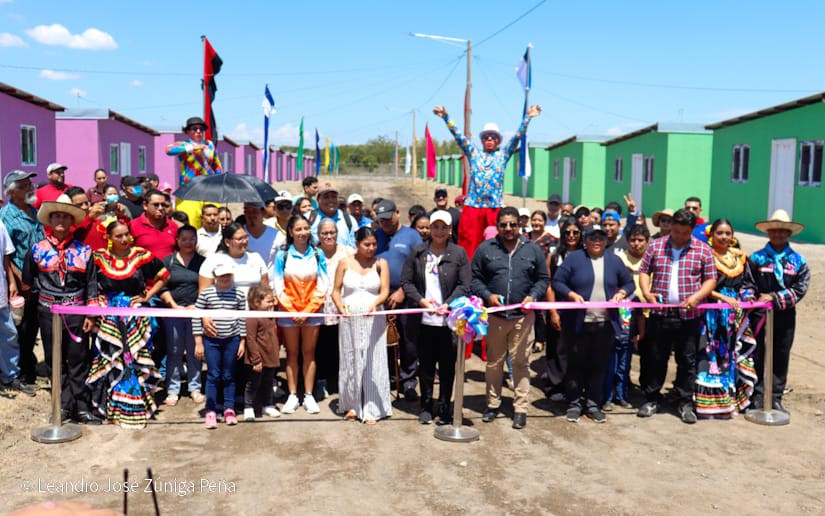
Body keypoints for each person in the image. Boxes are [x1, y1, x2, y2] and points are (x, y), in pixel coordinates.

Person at [472, 207, 550, 430]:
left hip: (522, 317)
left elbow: (543, 279)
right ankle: (492, 404)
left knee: (520, 363)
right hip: (495, 317)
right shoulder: (486, 249)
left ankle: (520, 408)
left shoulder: (532, 249)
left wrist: (533, 296)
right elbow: (475, 278)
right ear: (497, 226)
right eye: (504, 224)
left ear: (520, 225)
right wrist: (487, 295)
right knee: (494, 363)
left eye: (512, 224)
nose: (508, 228)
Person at [86, 220, 169, 428]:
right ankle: (110, 408)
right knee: (110, 358)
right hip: (109, 317)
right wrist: (99, 299)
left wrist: (147, 295)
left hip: (134, 316)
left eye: (126, 235)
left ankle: (137, 405)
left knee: (134, 358)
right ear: (109, 238)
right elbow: (90, 283)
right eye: (119, 236)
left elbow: (164, 276)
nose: (124, 239)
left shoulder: (140, 255)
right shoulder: (99, 258)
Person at [638, 208, 716, 424]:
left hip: (688, 316)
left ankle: (684, 401)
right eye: (677, 231)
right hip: (660, 313)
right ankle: (652, 398)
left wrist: (697, 297)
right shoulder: (656, 246)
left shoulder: (702, 249)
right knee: (656, 357)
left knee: (687, 360)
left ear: (692, 230)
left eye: (685, 233)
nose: (680, 236)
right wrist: (646, 293)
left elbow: (710, 279)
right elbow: (644, 271)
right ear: (671, 227)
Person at [23, 197, 98, 421]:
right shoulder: (37, 249)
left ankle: (82, 406)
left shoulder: (85, 251)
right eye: (56, 216)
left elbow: (91, 284)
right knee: (54, 359)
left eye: (65, 216)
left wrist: (91, 314)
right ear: (49, 219)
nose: (61, 220)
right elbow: (29, 279)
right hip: (48, 312)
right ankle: (62, 406)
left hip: (77, 312)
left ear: (72, 221)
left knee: (78, 358)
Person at [433, 104, 542, 258]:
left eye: (493, 137)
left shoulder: (503, 155)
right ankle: (467, 271)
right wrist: (446, 117)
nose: (489, 139)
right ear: (482, 140)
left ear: (498, 141)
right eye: (486, 137)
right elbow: (458, 136)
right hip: (473, 207)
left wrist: (528, 118)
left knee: (495, 247)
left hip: (493, 208)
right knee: (469, 246)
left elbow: (517, 137)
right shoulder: (474, 153)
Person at [552, 224, 634, 423]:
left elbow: (629, 283)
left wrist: (621, 293)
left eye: (601, 237)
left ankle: (593, 404)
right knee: (575, 365)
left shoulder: (614, 260)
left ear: (606, 241)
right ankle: (573, 404)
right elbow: (557, 282)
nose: (597, 241)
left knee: (598, 366)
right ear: (585, 239)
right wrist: (571, 294)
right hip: (578, 324)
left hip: (604, 324)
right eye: (592, 237)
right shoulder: (574, 258)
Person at [401, 210, 470, 425]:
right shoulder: (417, 252)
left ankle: (445, 406)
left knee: (448, 367)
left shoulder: (458, 254)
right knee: (426, 366)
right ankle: (426, 406)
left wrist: (448, 304)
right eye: (435, 227)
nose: (439, 231)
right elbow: (407, 282)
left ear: (450, 230)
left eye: (444, 227)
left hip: (449, 322)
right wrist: (422, 301)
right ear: (430, 229)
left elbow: (464, 285)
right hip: (424, 321)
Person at [693, 219, 757, 417]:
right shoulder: (705, 255)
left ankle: (729, 401)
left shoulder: (740, 258)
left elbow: (748, 283)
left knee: (730, 356)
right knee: (709, 355)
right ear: (711, 235)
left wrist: (746, 295)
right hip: (710, 314)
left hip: (733, 316)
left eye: (727, 233)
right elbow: (699, 284)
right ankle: (707, 404)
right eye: (719, 233)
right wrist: (723, 298)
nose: (724, 237)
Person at [748, 210, 810, 414]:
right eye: (774, 231)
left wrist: (774, 298)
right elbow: (748, 283)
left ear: (788, 234)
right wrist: (752, 299)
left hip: (785, 314)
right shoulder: (756, 258)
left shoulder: (799, 261)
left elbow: (800, 288)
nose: (777, 234)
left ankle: (775, 396)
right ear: (768, 233)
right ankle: (757, 394)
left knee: (781, 354)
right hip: (759, 314)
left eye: (782, 231)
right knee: (758, 352)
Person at [332, 226, 391, 424]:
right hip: (350, 317)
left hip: (374, 317)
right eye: (367, 244)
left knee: (374, 359)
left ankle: (373, 407)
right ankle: (352, 405)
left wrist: (375, 303)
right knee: (350, 357)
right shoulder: (345, 262)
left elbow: (385, 290)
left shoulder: (381, 263)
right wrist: (340, 307)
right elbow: (336, 290)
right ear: (357, 244)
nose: (371, 248)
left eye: (374, 244)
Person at [271, 215, 328, 415]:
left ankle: (309, 395)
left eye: (306, 228)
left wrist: (308, 310)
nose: (303, 233)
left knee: (309, 353)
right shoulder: (282, 255)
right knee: (292, 353)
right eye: (298, 229)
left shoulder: (318, 253)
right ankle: (293, 394)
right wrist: (292, 310)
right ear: (291, 232)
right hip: (289, 313)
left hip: (312, 312)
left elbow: (323, 284)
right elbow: (278, 285)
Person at [374, 199, 423, 399]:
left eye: (388, 218)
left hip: (406, 293)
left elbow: (420, 267)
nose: (384, 223)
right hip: (380, 295)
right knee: (383, 340)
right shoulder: (375, 235)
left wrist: (403, 290)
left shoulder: (412, 236)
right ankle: (388, 378)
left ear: (397, 213)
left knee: (409, 340)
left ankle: (408, 381)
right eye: (381, 219)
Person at [0, 170, 43, 385]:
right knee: (20, 327)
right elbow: (6, 255)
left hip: (38, 279)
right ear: (11, 191)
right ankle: (21, 371)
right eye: (24, 185)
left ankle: (28, 364)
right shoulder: (6, 216)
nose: (30, 188)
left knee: (33, 324)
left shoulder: (34, 211)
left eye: (30, 184)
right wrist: (19, 279)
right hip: (19, 281)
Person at [193, 260, 246, 429]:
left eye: (228, 275)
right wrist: (198, 342)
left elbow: (242, 318)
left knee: (229, 374)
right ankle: (211, 410)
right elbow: (196, 315)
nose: (225, 278)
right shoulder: (207, 293)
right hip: (211, 341)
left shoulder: (239, 294)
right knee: (213, 375)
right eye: (221, 275)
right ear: (215, 276)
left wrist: (242, 341)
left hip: (232, 340)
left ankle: (229, 408)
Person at [603, 224, 650, 411]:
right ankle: (607, 397)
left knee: (624, 368)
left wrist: (640, 334)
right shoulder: (611, 297)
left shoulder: (634, 298)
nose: (636, 243)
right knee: (609, 368)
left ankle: (622, 396)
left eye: (640, 240)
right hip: (611, 337)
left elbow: (640, 317)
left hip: (628, 338)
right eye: (633, 240)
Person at [159, 225, 206, 406]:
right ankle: (172, 389)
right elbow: (161, 286)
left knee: (195, 351)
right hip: (173, 312)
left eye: (192, 239)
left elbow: (207, 287)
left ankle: (195, 387)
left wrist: (197, 305)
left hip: (196, 312)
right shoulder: (169, 261)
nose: (188, 243)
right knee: (174, 351)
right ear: (177, 241)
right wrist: (173, 305)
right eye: (184, 239)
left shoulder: (202, 262)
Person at [543, 219, 584, 400]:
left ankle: (575, 386)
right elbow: (549, 284)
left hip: (580, 308)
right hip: (559, 307)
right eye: (567, 232)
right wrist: (553, 311)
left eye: (575, 232)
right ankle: (556, 386)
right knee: (557, 348)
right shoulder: (554, 255)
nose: (571, 236)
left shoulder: (586, 254)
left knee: (577, 349)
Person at [315, 218, 354, 400]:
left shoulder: (348, 252)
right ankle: (321, 381)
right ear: (318, 235)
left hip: (342, 307)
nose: (329, 236)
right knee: (321, 346)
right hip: (318, 308)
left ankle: (339, 381)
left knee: (340, 346)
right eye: (325, 233)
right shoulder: (313, 253)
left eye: (332, 232)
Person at [166, 116, 223, 228]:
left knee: (213, 221)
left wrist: (220, 181)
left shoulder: (209, 145)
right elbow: (168, 150)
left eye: (201, 129)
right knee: (191, 222)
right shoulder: (183, 145)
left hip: (209, 188)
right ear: (187, 131)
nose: (198, 131)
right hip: (189, 189)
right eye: (194, 129)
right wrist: (192, 147)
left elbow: (217, 165)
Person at [0, 216, 31, 396]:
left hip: (1, 292)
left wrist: (12, 282)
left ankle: (10, 375)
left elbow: (6, 256)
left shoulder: (0, 225)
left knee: (9, 334)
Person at [199, 222, 268, 303]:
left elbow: (265, 289)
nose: (244, 241)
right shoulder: (213, 260)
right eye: (239, 239)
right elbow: (203, 293)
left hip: (253, 309)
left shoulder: (256, 257)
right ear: (227, 242)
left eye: (246, 237)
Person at [243, 285, 280, 421]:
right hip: (257, 358)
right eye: (269, 301)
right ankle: (248, 407)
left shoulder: (271, 315)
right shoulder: (252, 318)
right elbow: (250, 339)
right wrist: (256, 360)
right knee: (253, 383)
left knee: (268, 382)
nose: (272, 304)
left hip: (270, 356)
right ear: (256, 303)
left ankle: (267, 404)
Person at [528, 210, 557, 354]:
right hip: (526, 278)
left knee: (540, 311)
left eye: (539, 220)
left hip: (542, 278)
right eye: (534, 220)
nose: (536, 223)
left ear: (545, 222)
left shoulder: (551, 240)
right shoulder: (524, 237)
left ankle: (539, 340)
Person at [130, 189, 176, 260]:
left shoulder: (173, 226)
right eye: (156, 205)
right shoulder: (133, 226)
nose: (160, 208)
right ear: (145, 205)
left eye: (163, 205)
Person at [308, 182, 356, 247]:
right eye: (326, 197)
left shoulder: (349, 220)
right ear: (318, 199)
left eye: (334, 197)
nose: (330, 200)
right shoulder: (309, 219)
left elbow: (353, 247)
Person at [243, 202, 278, 268]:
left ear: (263, 213)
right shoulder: (238, 235)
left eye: (255, 211)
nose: (251, 215)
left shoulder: (276, 235)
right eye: (248, 211)